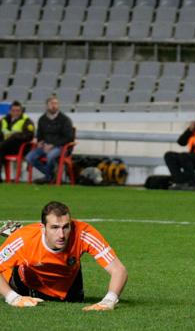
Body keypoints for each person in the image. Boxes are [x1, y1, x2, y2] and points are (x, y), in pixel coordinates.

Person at [0, 201, 128, 310]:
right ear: (43, 228)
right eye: (55, 227)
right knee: (22, 250)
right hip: (30, 282)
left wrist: (109, 301)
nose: (61, 235)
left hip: (68, 280)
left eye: (66, 227)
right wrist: (12, 298)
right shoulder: (22, 240)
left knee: (75, 301)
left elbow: (119, 270)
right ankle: (16, 233)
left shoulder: (83, 233)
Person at [25, 96, 73, 184]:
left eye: (56, 103)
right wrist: (40, 142)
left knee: (50, 156)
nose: (54, 106)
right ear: (47, 106)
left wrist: (53, 145)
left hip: (60, 147)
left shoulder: (65, 119)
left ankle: (48, 177)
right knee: (29, 158)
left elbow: (69, 137)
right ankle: (50, 175)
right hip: (45, 146)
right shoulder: (42, 119)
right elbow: (40, 134)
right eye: (52, 104)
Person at [0, 101, 35, 183]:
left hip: (20, 147)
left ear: (21, 111)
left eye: (18, 110)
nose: (15, 112)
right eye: (13, 110)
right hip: (5, 147)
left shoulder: (26, 120)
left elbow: (29, 135)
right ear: (9, 111)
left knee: (13, 137)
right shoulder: (4, 120)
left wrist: (16, 136)